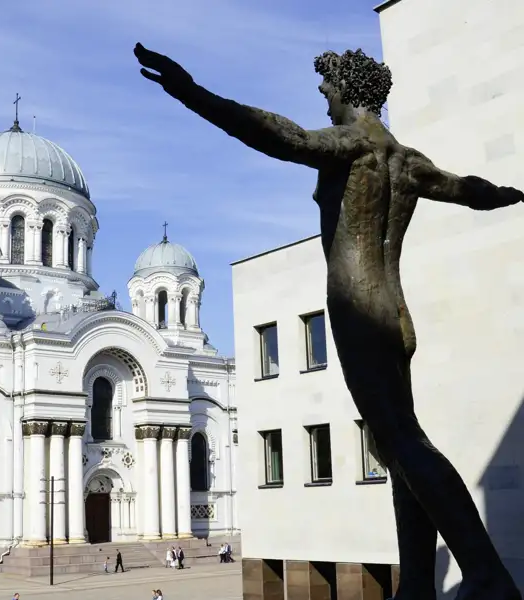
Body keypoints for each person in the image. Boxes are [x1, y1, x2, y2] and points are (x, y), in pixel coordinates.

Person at [133, 42, 524, 600]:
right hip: (394, 311)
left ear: (349, 90)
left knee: (404, 442)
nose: (323, 95)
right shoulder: (408, 160)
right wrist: (508, 194)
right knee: (396, 447)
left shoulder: (352, 145)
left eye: (328, 88)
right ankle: (417, 583)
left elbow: (277, 134)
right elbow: (470, 190)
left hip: (358, 307)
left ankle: (485, 573)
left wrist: (190, 92)